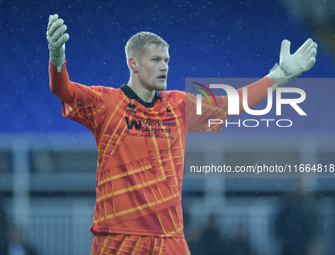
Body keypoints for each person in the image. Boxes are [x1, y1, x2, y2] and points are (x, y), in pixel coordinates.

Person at [46, 14, 317, 255]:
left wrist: (279, 76)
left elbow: (228, 106)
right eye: (156, 60)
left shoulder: (178, 105)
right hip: (117, 238)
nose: (164, 66)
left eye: (166, 60)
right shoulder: (106, 103)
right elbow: (64, 90)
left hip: (168, 239)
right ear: (134, 63)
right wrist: (57, 61)